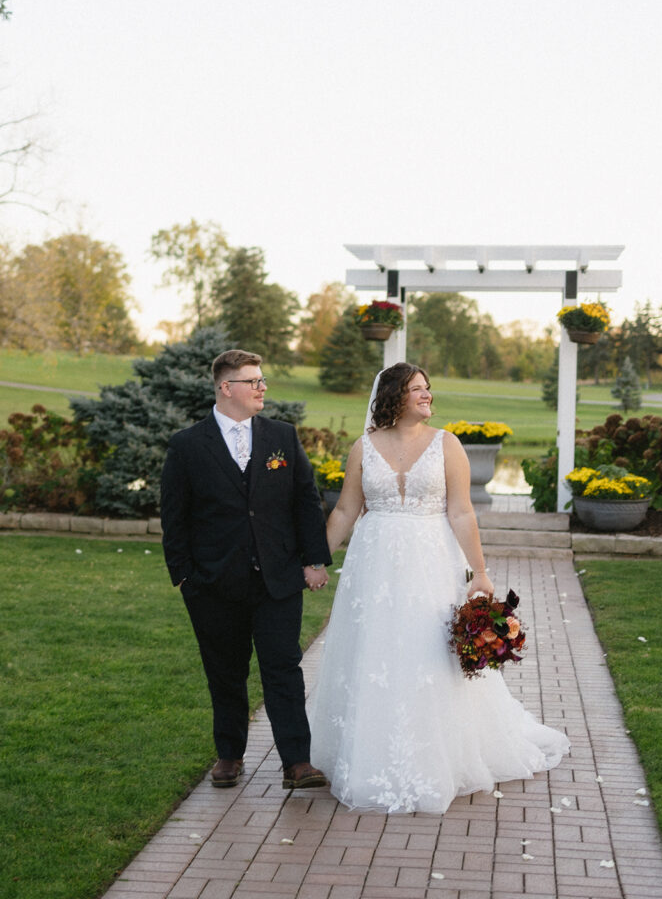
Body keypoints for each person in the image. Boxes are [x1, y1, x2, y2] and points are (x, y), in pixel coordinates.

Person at [309, 362, 569, 814]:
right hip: (374, 569)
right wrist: (317, 558)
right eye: (416, 390)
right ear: (394, 397)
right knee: (377, 652)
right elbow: (347, 511)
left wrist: (481, 573)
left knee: (430, 650)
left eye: (428, 388)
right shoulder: (363, 448)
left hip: (431, 563)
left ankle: (442, 753)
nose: (427, 396)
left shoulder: (447, 445)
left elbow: (462, 512)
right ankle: (369, 749)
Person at [160, 348, 332, 790]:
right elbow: (174, 516)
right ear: (226, 387)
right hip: (213, 583)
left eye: (262, 380)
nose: (262, 388)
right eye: (253, 381)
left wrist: (314, 560)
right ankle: (229, 756)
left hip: (278, 579)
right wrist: (183, 576)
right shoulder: (187, 445)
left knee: (284, 669)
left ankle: (297, 762)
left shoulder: (281, 435)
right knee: (225, 672)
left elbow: (305, 500)